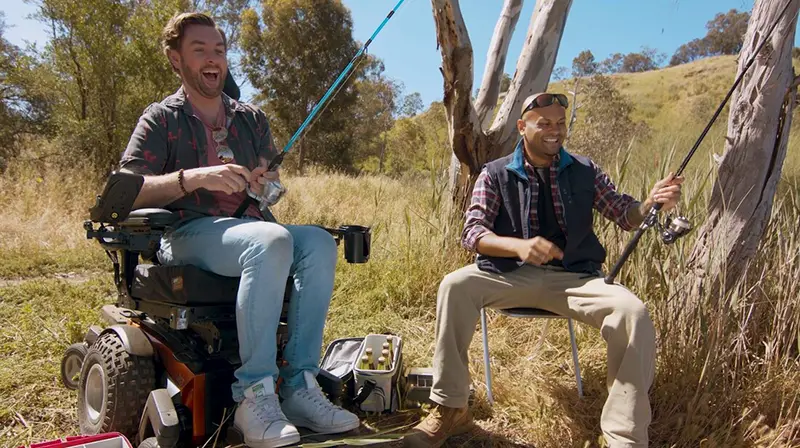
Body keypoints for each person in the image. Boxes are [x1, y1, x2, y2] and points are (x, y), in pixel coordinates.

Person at [118, 12, 359, 448]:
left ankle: (300, 384)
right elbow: (127, 191)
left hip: (251, 229)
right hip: (189, 232)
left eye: (219, 50)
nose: (213, 59)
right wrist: (193, 178)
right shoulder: (161, 119)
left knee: (319, 242)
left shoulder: (251, 119)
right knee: (271, 240)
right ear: (176, 60)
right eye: (200, 50)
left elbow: (275, 192)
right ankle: (254, 395)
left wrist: (266, 185)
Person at [403, 93, 683, 448]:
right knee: (454, 285)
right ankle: (450, 408)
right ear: (522, 127)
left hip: (575, 279)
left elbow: (624, 215)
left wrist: (650, 204)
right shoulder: (495, 173)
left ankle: (624, 437)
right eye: (545, 123)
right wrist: (518, 246)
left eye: (561, 124)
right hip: (508, 274)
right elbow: (472, 233)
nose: (556, 131)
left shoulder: (586, 170)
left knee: (633, 312)